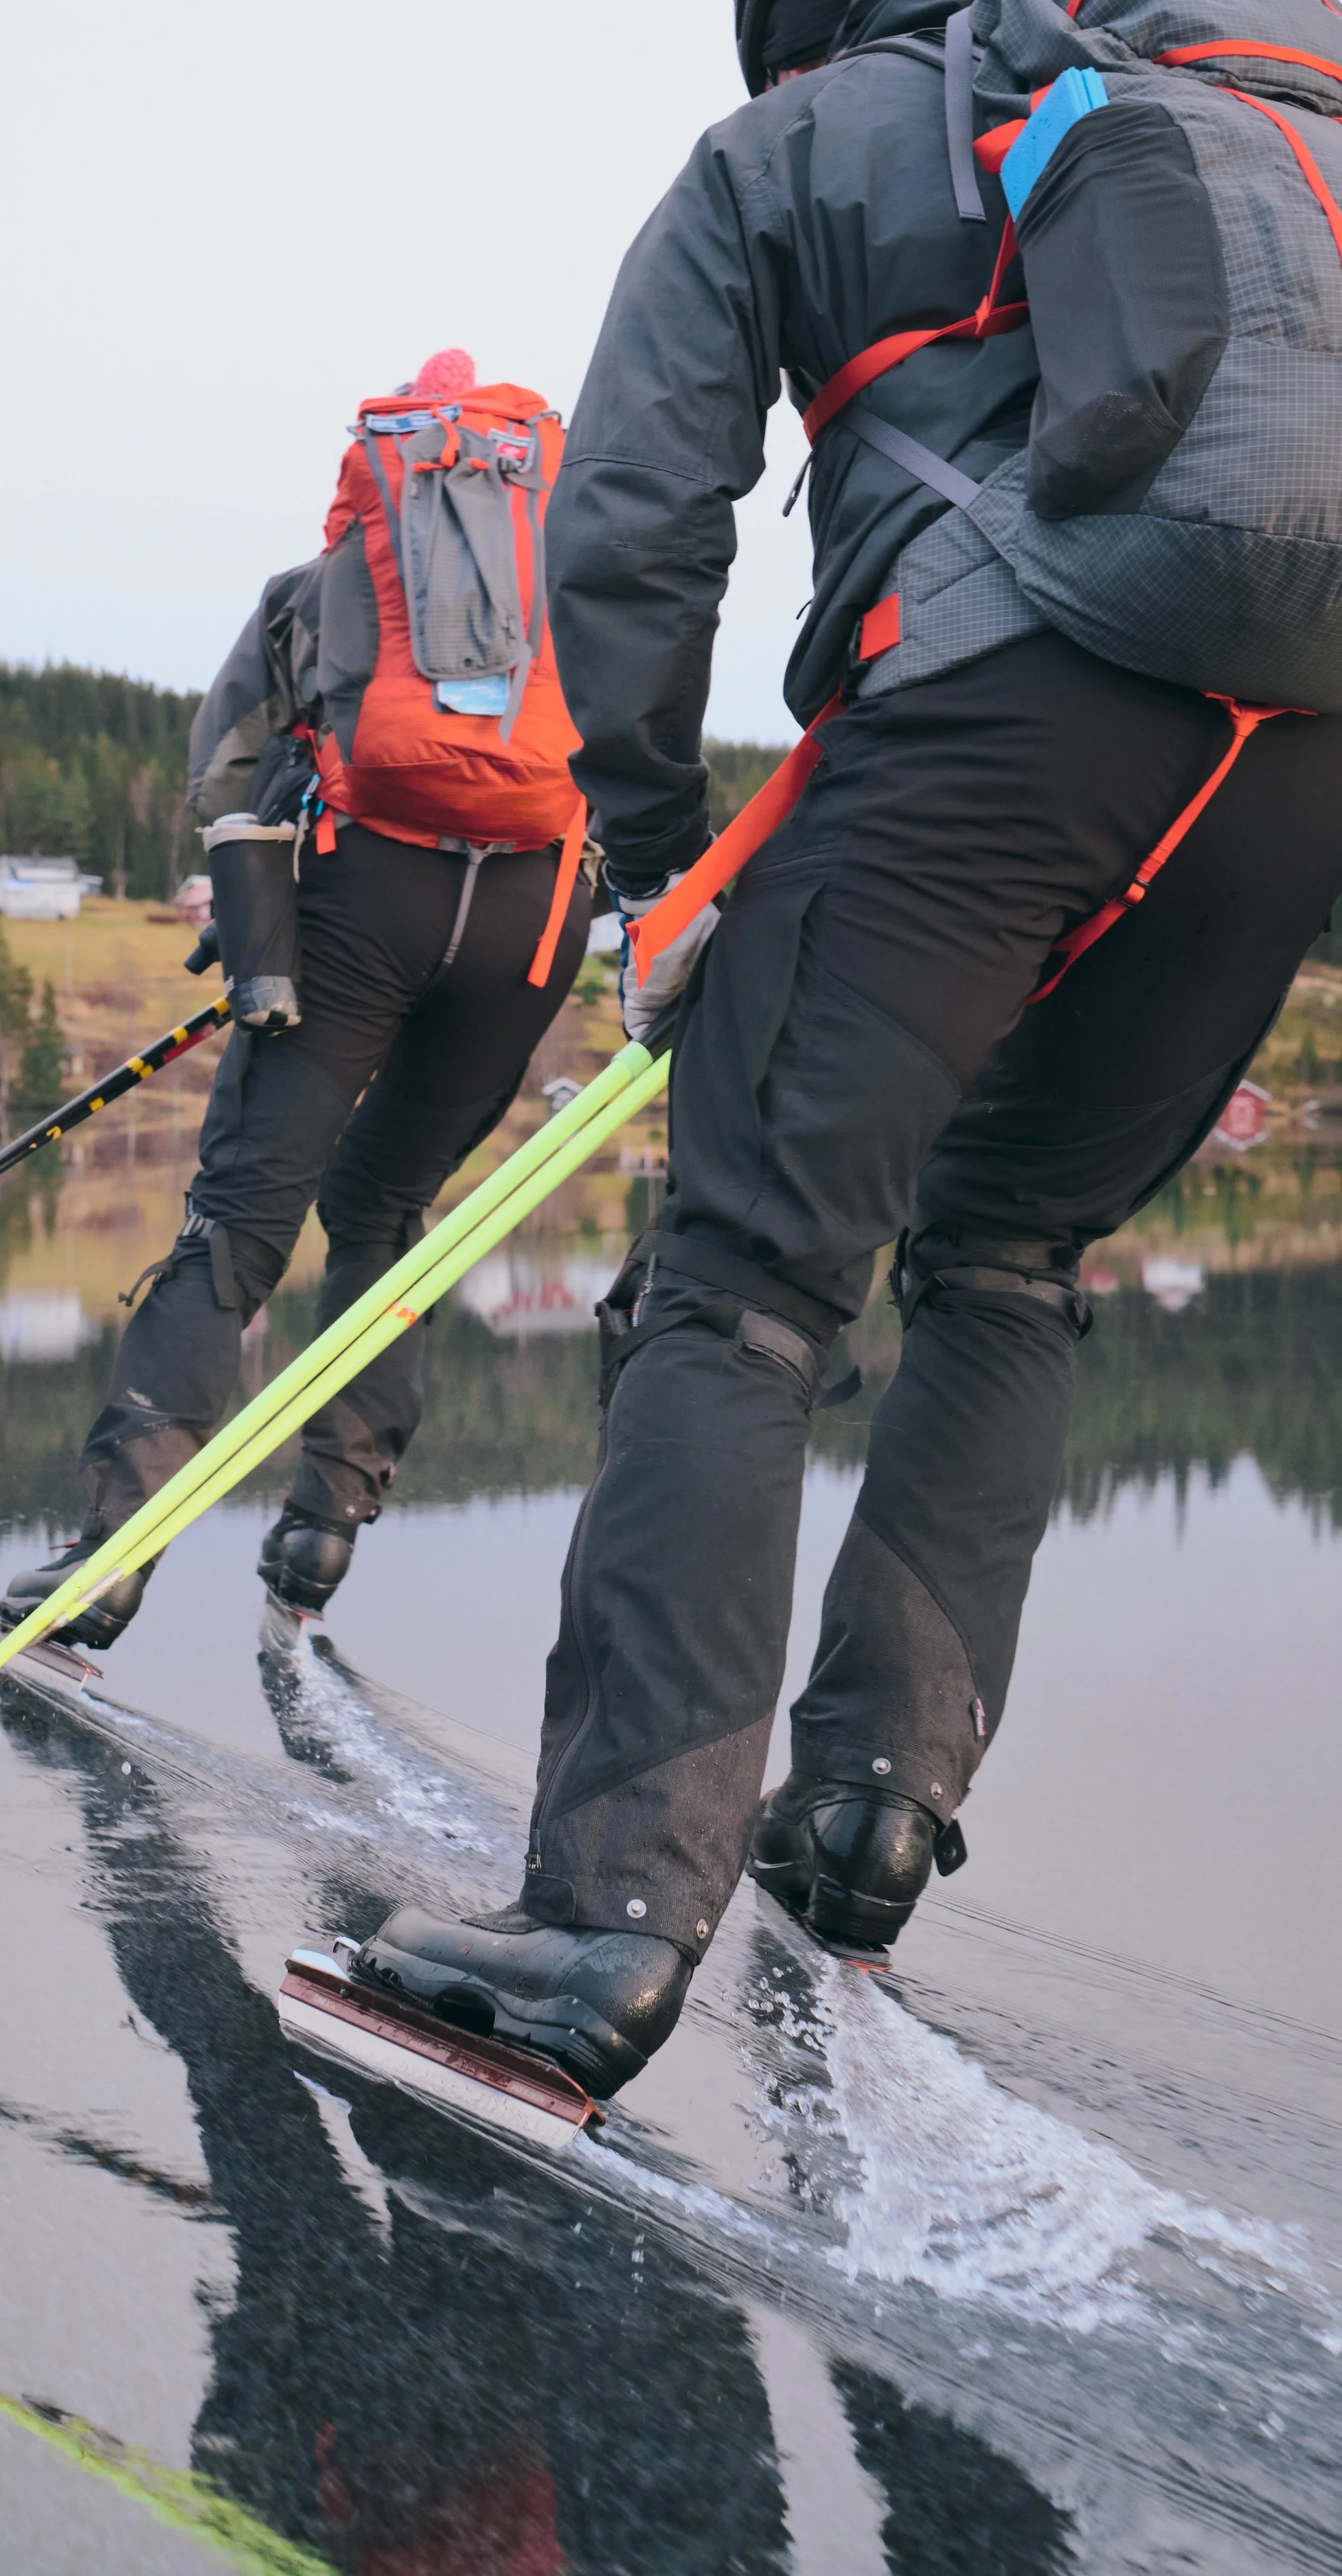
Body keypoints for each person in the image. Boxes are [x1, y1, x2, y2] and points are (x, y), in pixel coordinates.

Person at [354, 0, 1342, 2096]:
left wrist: (649, 856)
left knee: (741, 1284)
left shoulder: (805, 144)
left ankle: (599, 1921)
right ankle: (866, 1810)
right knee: (1006, 1259)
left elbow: (630, 516)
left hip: (987, 733)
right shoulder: (1257, 128)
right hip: (1291, 772)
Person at [0, 350, 591, 1642]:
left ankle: (112, 1554)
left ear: (385, 475)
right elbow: (636, 759)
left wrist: (257, 929)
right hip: (533, 926)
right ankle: (325, 1527)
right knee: (386, 1207)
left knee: (237, 1231)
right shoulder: (572, 591)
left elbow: (221, 779)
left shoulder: (315, 591)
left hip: (359, 902)